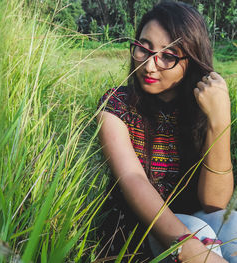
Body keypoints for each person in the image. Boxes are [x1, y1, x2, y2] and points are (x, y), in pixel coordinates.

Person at [96, 1, 237, 262]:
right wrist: (187, 246)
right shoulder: (115, 105)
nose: (150, 66)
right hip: (138, 230)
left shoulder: (202, 108)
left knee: (232, 224)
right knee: (197, 230)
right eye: (143, 49)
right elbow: (132, 178)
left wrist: (219, 121)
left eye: (168, 56)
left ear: (191, 60)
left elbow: (214, 204)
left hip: (198, 222)